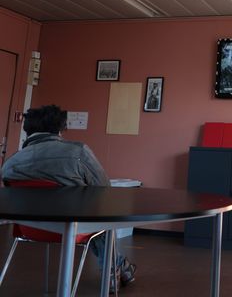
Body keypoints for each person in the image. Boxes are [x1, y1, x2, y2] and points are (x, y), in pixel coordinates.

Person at [1, 105, 137, 293]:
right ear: (59, 129)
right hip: (74, 228)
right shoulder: (78, 152)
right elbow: (105, 189)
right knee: (100, 218)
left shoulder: (11, 164)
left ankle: (119, 267)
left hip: (30, 229)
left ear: (28, 131)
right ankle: (115, 269)